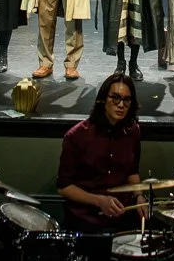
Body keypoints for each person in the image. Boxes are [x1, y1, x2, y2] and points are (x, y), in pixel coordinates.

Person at [57, 73, 151, 233]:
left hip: (122, 214)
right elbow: (64, 187)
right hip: (86, 218)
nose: (121, 105)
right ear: (102, 100)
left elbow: (132, 171)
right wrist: (99, 201)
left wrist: (139, 196)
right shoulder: (77, 136)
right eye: (115, 98)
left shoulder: (133, 131)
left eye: (127, 100)